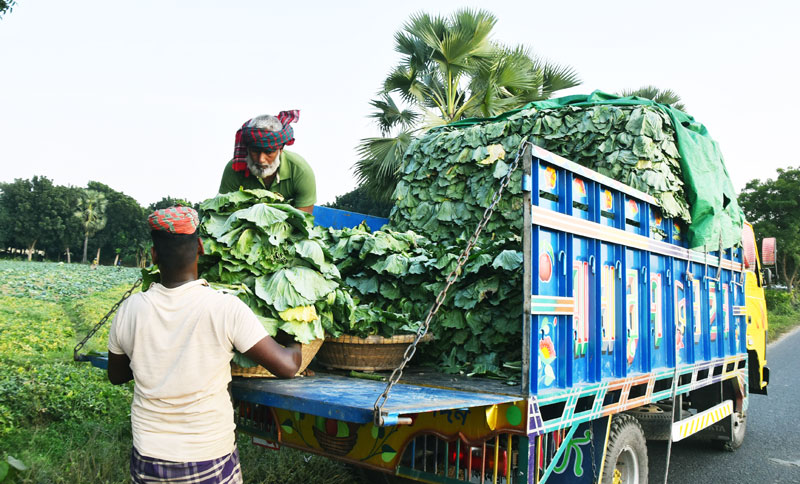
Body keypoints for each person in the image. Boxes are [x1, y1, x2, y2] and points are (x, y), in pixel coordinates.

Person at [107, 206, 301, 483]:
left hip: (148, 457)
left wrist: (152, 357)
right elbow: (287, 367)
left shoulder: (130, 308)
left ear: (153, 255)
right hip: (207, 455)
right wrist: (296, 334)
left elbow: (117, 375)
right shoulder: (224, 308)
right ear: (200, 247)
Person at [218, 110, 316, 214]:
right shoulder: (235, 169)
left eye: (268, 152)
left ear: (280, 150)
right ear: (247, 149)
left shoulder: (300, 171)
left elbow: (303, 220)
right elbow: (223, 211)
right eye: (255, 151)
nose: (261, 159)